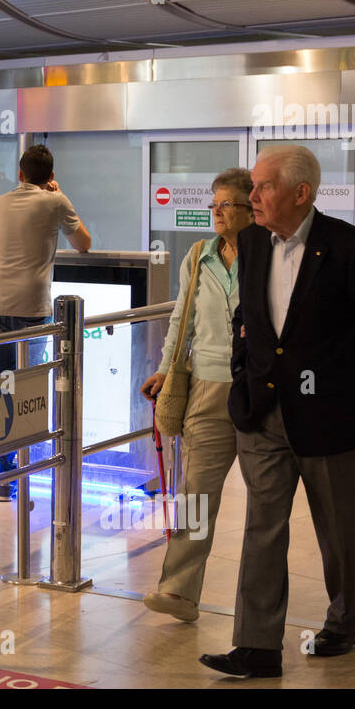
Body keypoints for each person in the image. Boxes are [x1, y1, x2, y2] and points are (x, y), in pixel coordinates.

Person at [200, 145, 355, 680]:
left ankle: (343, 622)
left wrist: (325, 366)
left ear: (300, 193)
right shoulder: (250, 241)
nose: (252, 197)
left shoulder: (349, 247)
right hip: (263, 414)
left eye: (263, 187)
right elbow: (248, 312)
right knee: (262, 527)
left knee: (337, 530)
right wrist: (246, 370)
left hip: (332, 415)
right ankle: (257, 646)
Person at [139, 168, 253, 621]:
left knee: (266, 502)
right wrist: (167, 369)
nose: (218, 213)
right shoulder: (197, 256)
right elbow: (180, 320)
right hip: (205, 388)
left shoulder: (268, 255)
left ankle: (257, 608)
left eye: (228, 204)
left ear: (251, 209)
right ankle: (178, 592)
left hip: (258, 389)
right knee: (195, 495)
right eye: (215, 205)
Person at [0, 144, 92, 500]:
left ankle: (5, 478)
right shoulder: (55, 202)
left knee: (3, 387)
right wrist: (60, 195)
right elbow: (84, 244)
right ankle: (32, 469)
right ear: (51, 176)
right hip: (32, 307)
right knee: (31, 390)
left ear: (19, 173)